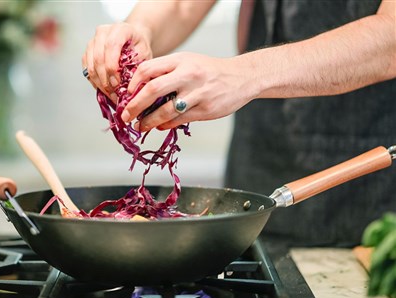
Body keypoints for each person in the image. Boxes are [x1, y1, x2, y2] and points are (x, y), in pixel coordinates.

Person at [81, 0, 396, 247]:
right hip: (257, 168)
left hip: (370, 184)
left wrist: (245, 75)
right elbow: (180, 5)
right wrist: (139, 29)